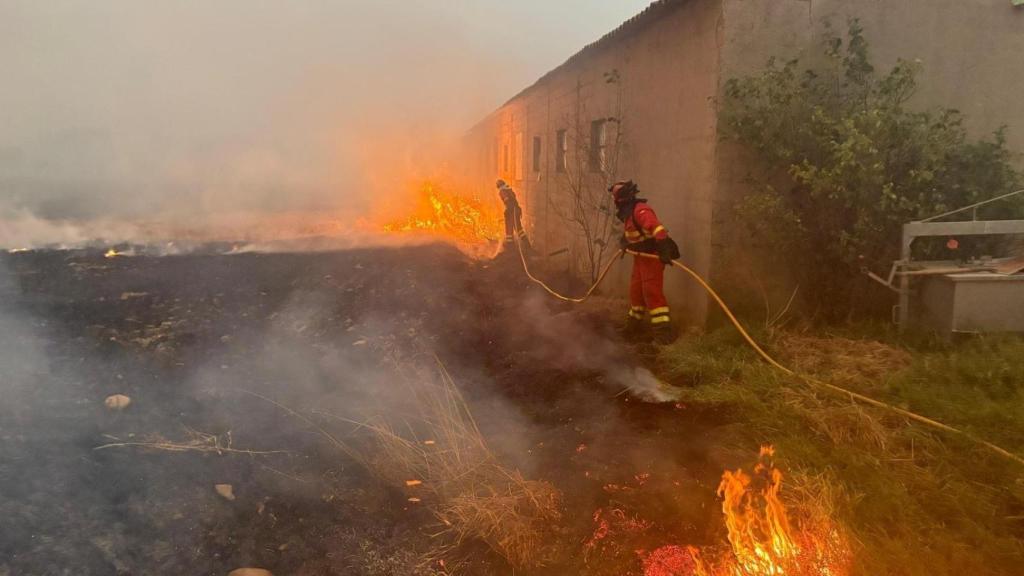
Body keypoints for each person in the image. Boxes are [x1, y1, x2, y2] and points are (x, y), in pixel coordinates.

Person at [609, 180, 680, 343]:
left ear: (621, 199)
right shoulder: (629, 213)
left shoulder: (641, 211)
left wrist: (663, 250)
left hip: (653, 258)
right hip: (641, 258)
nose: (615, 202)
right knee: (636, 291)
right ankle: (634, 326)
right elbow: (633, 232)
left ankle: (663, 335)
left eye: (616, 198)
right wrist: (625, 242)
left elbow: (658, 230)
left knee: (651, 293)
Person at [496, 179, 530, 250]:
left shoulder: (502, 191)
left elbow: (507, 201)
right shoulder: (508, 189)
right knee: (519, 229)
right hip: (516, 210)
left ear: (499, 186)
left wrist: (508, 210)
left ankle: (510, 247)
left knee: (509, 229)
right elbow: (514, 201)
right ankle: (527, 244)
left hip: (511, 212)